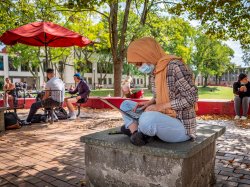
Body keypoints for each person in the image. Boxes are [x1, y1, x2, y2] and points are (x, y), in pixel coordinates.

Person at [119, 37, 198, 146]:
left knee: (147, 119)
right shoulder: (154, 72)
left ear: (148, 54)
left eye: (139, 63)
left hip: (181, 126)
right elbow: (158, 97)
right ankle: (136, 133)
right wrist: (150, 103)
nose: (138, 68)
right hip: (162, 116)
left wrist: (160, 107)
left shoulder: (175, 66)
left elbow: (192, 98)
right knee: (125, 105)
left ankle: (139, 128)